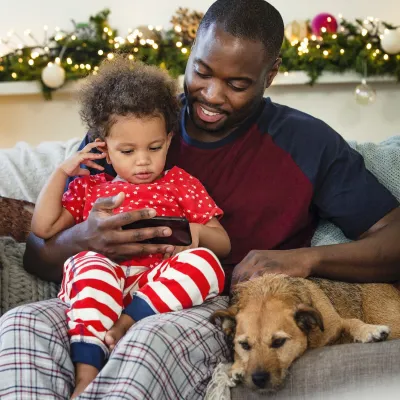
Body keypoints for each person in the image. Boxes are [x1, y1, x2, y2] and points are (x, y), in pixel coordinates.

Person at [1, 0, 400, 399]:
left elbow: (393, 237)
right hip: (103, 291)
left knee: (147, 344)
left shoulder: (307, 144)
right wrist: (87, 238)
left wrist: (306, 259)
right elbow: (37, 254)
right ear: (191, 52)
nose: (211, 95)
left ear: (271, 73)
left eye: (237, 85)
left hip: (198, 304)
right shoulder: (133, 126)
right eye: (202, 72)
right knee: (21, 326)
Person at [30, 57, 230, 398]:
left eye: (154, 148)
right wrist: (61, 173)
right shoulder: (91, 188)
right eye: (127, 150)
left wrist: (190, 235)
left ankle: (129, 321)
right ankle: (87, 374)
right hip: (106, 280)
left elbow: (222, 243)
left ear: (168, 142)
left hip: (158, 289)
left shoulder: (180, 183)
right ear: (104, 148)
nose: (142, 160)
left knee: (207, 264)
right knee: (87, 263)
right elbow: (44, 227)